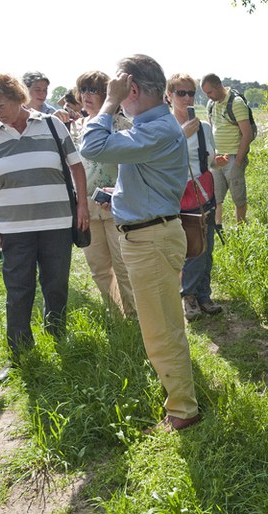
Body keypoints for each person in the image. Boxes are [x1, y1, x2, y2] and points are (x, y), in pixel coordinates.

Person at [80, 54, 199, 433]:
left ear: (131, 89)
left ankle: (183, 409)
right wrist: (119, 194)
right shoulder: (154, 127)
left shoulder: (156, 129)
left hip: (150, 238)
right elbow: (150, 180)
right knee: (159, 324)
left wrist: (109, 102)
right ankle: (179, 395)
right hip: (146, 233)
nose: (114, 98)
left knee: (161, 328)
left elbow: (93, 146)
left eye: (118, 90)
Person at [0, 73, 89, 384]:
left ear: (17, 98)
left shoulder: (51, 125)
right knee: (18, 290)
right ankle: (19, 354)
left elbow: (76, 166)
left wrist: (82, 207)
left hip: (56, 223)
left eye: (0, 104)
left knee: (56, 285)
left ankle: (58, 338)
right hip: (14, 228)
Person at [70, 71, 136, 317]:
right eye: (83, 90)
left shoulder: (122, 125)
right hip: (85, 206)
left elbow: (134, 168)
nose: (86, 95)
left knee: (123, 266)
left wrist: (120, 193)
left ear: (108, 95)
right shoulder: (76, 127)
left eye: (93, 90)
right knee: (98, 267)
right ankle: (115, 314)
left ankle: (134, 316)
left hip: (116, 206)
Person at [167, 73, 224, 321]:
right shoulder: (165, 128)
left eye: (191, 93)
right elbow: (161, 162)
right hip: (176, 197)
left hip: (202, 195)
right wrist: (181, 135)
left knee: (206, 246)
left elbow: (209, 160)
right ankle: (187, 296)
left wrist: (217, 161)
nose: (187, 98)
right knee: (192, 249)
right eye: (181, 93)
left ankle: (203, 295)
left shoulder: (205, 128)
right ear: (169, 96)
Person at [201, 73, 253, 231]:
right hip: (217, 159)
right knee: (216, 197)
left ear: (218, 86)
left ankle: (241, 229)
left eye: (209, 92)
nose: (208, 96)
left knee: (238, 197)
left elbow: (247, 134)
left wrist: (237, 160)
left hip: (232, 157)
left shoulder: (236, 103)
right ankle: (218, 226)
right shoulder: (211, 104)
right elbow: (211, 130)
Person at [0, 71, 70, 142]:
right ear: (24, 89)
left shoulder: (51, 113)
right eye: (37, 90)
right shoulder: (2, 112)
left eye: (45, 90)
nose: (42, 94)